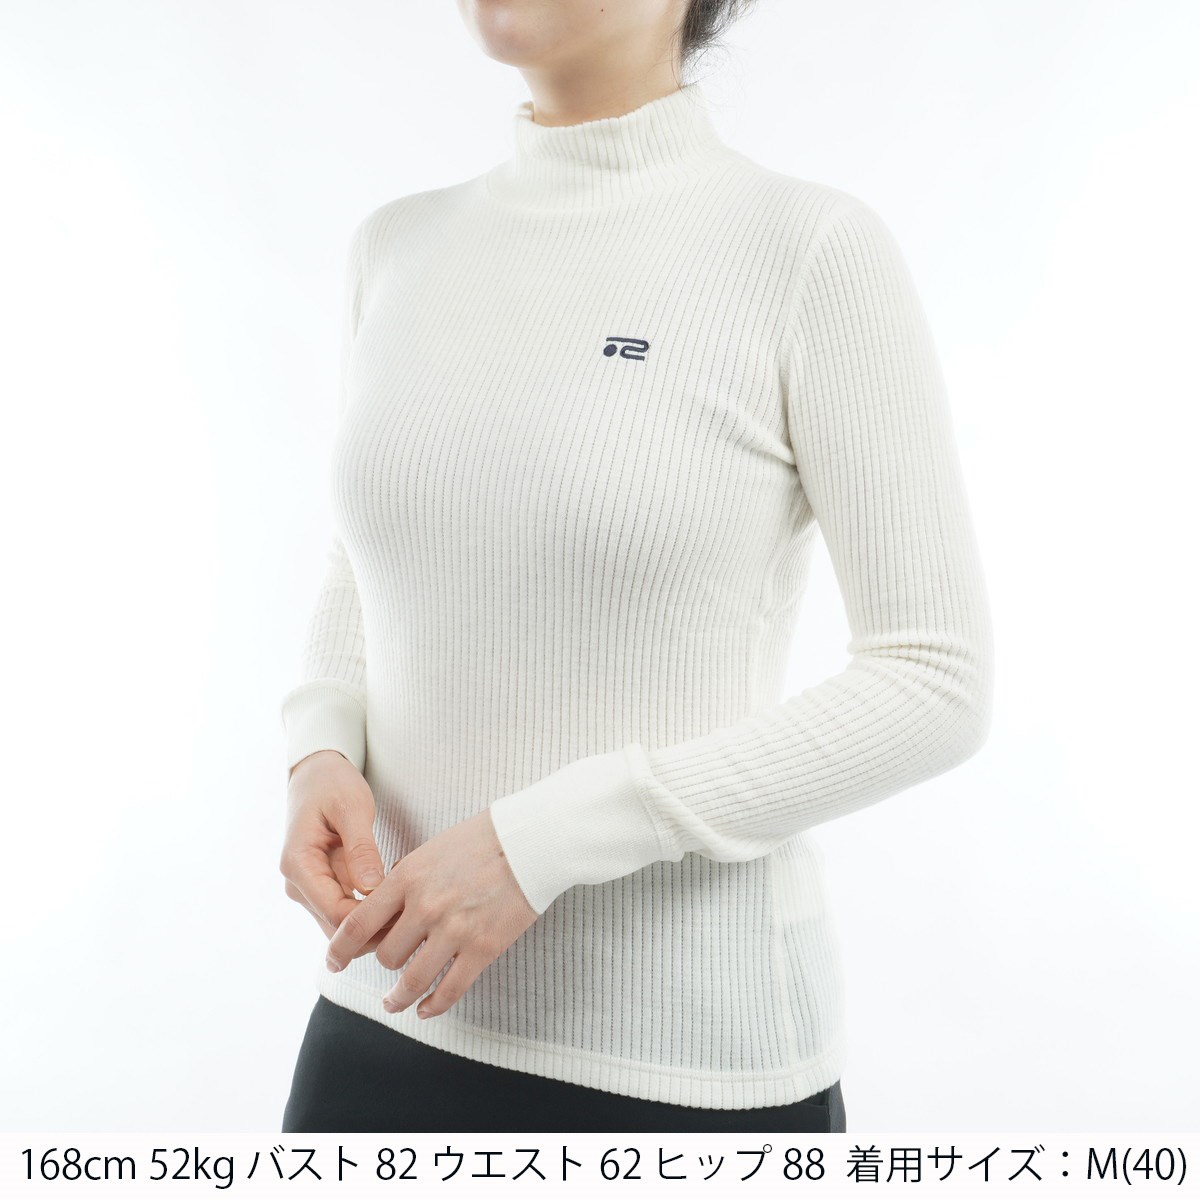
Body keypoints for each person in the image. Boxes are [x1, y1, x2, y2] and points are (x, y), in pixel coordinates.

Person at [278, 0, 993, 1134]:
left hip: (681, 1066)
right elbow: (367, 555)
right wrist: (319, 745)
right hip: (379, 1013)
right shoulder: (395, 245)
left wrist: (537, 846)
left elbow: (933, 681)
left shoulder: (805, 249)